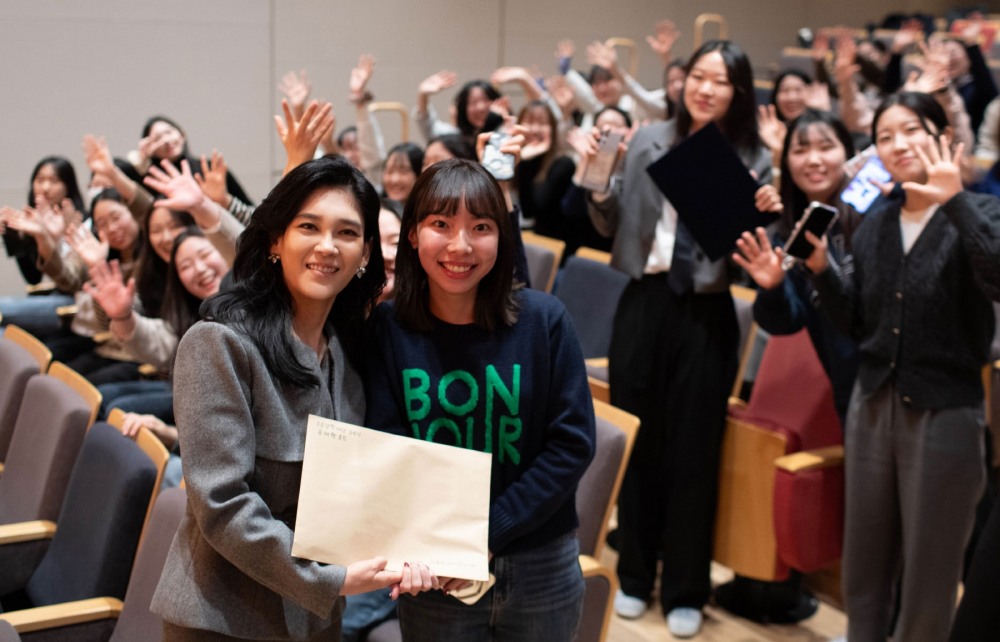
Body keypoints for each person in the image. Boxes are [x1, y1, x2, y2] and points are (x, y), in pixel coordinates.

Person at [150, 155, 437, 641]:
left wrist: (421, 550)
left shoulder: (348, 348)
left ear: (366, 253)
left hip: (317, 618)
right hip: (224, 618)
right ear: (277, 241)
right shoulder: (218, 343)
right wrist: (332, 579)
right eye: (309, 227)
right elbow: (223, 504)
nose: (327, 246)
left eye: (347, 233)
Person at [582, 39, 780, 638]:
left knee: (696, 449)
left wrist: (764, 209)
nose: (705, 88)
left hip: (708, 311)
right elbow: (611, 221)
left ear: (737, 92)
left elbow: (751, 255)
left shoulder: (752, 156)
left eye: (720, 80)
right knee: (640, 444)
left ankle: (687, 586)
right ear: (682, 81)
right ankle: (637, 576)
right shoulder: (646, 138)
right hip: (643, 302)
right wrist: (596, 182)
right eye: (698, 75)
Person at [365, 158, 596, 641]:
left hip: (541, 563)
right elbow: (387, 447)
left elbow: (571, 444)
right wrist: (450, 542)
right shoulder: (387, 330)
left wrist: (485, 535)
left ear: (502, 236)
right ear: (412, 234)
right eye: (441, 225)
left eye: (481, 227)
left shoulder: (544, 319)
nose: (460, 246)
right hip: (435, 567)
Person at [805, 91, 999, 642]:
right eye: (884, 136)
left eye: (911, 129)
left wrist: (955, 199)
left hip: (945, 413)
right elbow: (859, 323)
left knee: (930, 574)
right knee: (864, 563)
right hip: (872, 406)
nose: (897, 144)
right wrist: (820, 268)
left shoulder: (981, 211)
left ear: (942, 136)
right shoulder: (876, 223)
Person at [723, 109, 865, 623]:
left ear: (848, 150)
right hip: (852, 390)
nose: (812, 159)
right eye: (799, 150)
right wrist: (774, 287)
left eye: (825, 145)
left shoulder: (873, 213)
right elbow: (786, 323)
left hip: (891, 379)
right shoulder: (794, 229)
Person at [0, 156, 85, 336]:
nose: (45, 187)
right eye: (40, 180)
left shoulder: (80, 221)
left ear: (68, 185)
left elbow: (74, 281)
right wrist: (13, 237)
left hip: (74, 303)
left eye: (53, 181)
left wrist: (52, 238)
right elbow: (33, 279)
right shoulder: (33, 220)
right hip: (49, 298)